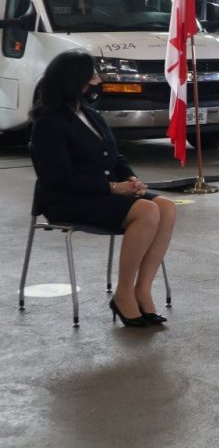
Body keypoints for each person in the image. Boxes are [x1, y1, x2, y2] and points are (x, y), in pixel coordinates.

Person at [29, 51, 176, 328]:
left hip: (103, 192)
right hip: (68, 200)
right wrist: (111, 187)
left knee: (166, 208)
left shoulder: (90, 115)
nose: (98, 80)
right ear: (76, 82)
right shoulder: (48, 124)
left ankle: (141, 290)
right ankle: (123, 294)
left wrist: (131, 180)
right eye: (93, 76)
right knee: (146, 211)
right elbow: (59, 178)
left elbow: (115, 156)